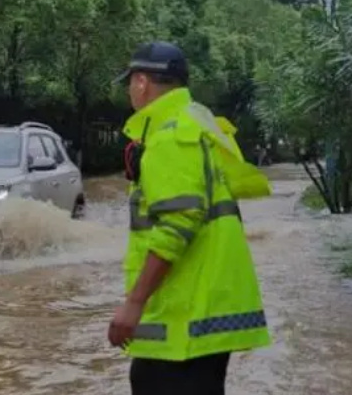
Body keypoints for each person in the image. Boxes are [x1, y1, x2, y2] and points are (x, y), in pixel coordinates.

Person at [107, 41, 272, 395]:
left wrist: (133, 303)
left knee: (150, 382)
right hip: (203, 313)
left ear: (141, 83)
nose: (129, 92)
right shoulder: (200, 125)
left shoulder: (169, 137)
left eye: (129, 83)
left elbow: (177, 224)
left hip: (184, 316)